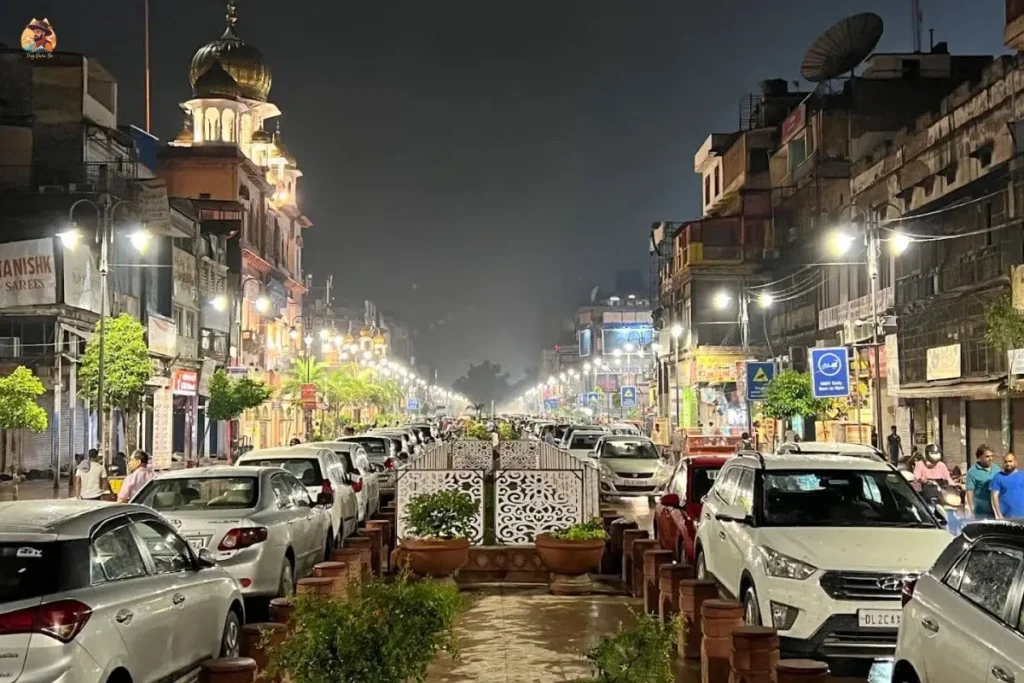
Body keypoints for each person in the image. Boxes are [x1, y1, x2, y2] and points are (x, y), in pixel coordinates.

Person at [965, 445, 996, 519]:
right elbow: (969, 491)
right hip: (981, 510)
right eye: (987, 456)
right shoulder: (972, 472)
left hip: (995, 508)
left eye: (992, 456)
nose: (990, 458)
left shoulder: (996, 468)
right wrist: (971, 509)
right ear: (980, 457)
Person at [992, 452, 1024, 520]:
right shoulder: (997, 477)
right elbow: (994, 497)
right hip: (1006, 517)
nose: (1008, 464)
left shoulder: (1022, 475)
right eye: (1005, 462)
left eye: (1010, 461)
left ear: (1015, 462)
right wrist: (999, 515)